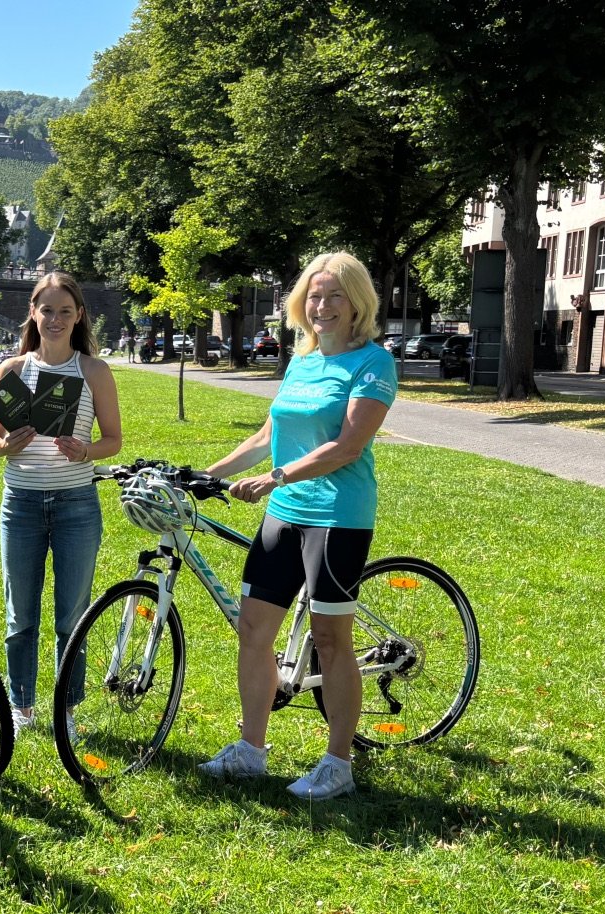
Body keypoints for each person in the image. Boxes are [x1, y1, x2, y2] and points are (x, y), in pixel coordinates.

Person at [196, 251, 397, 800]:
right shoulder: (301, 361)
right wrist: (205, 475)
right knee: (253, 631)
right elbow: (265, 436)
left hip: (337, 517)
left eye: (335, 295)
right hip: (283, 516)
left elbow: (347, 446)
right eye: (314, 295)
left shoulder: (374, 363)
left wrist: (276, 478)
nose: (323, 305)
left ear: (358, 303)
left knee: (332, 642)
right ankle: (251, 751)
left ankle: (338, 763)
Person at [0, 271, 123, 736]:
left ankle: (67, 709)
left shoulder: (93, 372)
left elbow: (114, 441)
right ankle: (21, 706)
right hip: (20, 503)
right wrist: (8, 446)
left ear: (79, 315)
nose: (55, 319)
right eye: (47, 310)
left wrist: (86, 451)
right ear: (33, 313)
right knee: (20, 614)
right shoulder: (14, 369)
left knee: (71, 617)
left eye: (65, 311)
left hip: (76, 505)